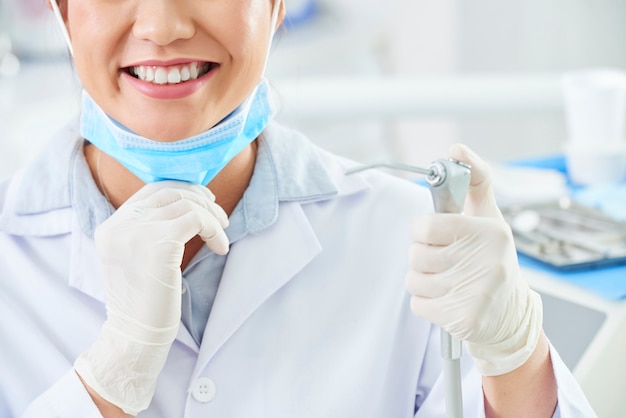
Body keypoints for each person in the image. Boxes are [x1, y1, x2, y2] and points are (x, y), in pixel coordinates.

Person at [0, 0, 596, 417]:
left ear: (276, 4)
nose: (162, 24)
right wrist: (104, 383)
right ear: (62, 11)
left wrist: (515, 353)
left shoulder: (404, 240)